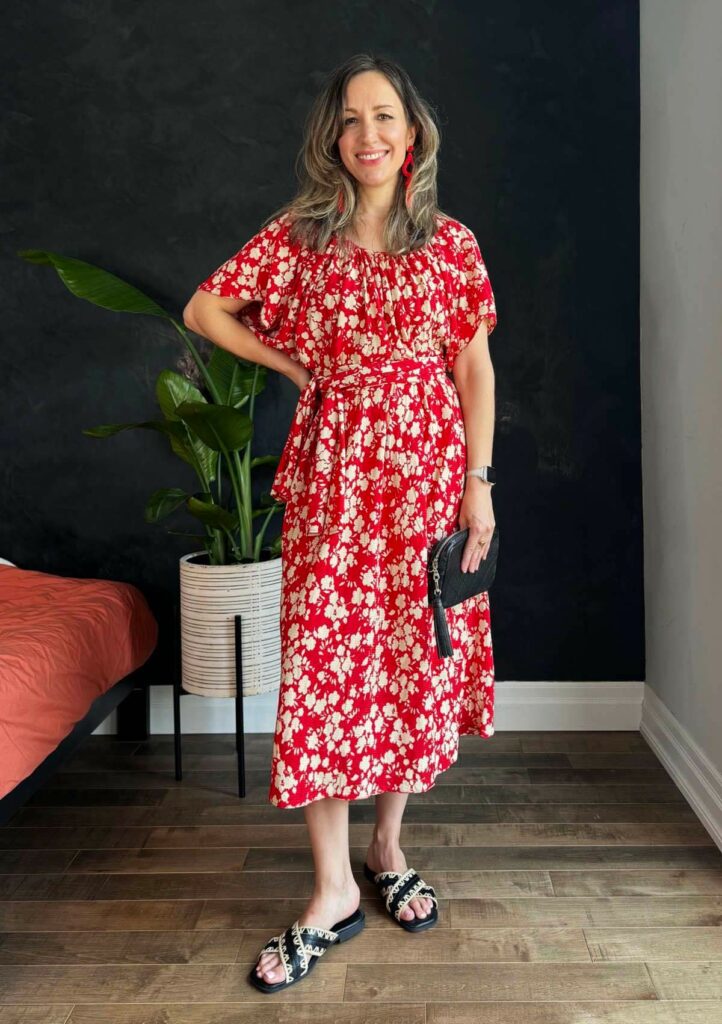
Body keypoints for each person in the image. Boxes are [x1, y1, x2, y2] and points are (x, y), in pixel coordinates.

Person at [184, 52, 498, 994]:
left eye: (385, 117)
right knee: (326, 669)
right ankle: (331, 892)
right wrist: (290, 367)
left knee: (411, 660)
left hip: (431, 482)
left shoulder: (452, 244)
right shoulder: (298, 237)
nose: (368, 134)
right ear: (334, 137)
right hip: (333, 480)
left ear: (412, 135)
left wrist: (478, 483)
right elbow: (207, 309)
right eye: (352, 119)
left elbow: (473, 368)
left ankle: (388, 847)